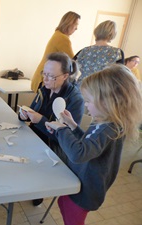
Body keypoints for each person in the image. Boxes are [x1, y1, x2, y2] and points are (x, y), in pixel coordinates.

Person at [45, 64, 142, 225]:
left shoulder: (109, 129)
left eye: (89, 101)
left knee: (72, 216)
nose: (86, 106)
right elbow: (89, 145)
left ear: (109, 102)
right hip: (78, 181)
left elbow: (79, 153)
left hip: (86, 190)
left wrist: (61, 129)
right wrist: (72, 125)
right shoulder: (104, 123)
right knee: (62, 203)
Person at [19, 52, 85, 206]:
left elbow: (68, 139)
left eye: (51, 76)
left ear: (65, 76)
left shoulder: (75, 99)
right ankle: (25, 181)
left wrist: (40, 120)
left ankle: (38, 189)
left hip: (56, 146)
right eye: (44, 73)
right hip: (36, 137)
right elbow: (33, 110)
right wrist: (23, 115)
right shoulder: (45, 88)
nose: (45, 79)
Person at [31, 11, 80, 93]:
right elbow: (73, 61)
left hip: (43, 76)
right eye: (76, 25)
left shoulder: (57, 34)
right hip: (46, 78)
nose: (76, 28)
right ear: (69, 23)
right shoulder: (62, 38)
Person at [74, 20, 124, 86]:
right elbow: (120, 76)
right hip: (102, 89)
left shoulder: (84, 51)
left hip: (82, 87)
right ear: (112, 34)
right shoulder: (117, 53)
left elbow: (70, 68)